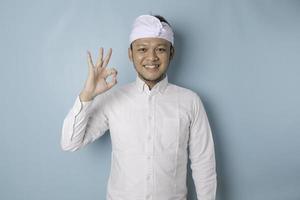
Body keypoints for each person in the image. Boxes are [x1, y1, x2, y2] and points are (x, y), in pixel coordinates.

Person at [61, 14, 217, 200]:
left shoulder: (190, 101)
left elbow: (203, 163)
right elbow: (70, 143)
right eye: (142, 49)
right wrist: (87, 95)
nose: (151, 57)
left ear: (171, 53)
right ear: (130, 54)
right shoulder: (112, 98)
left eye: (160, 49)